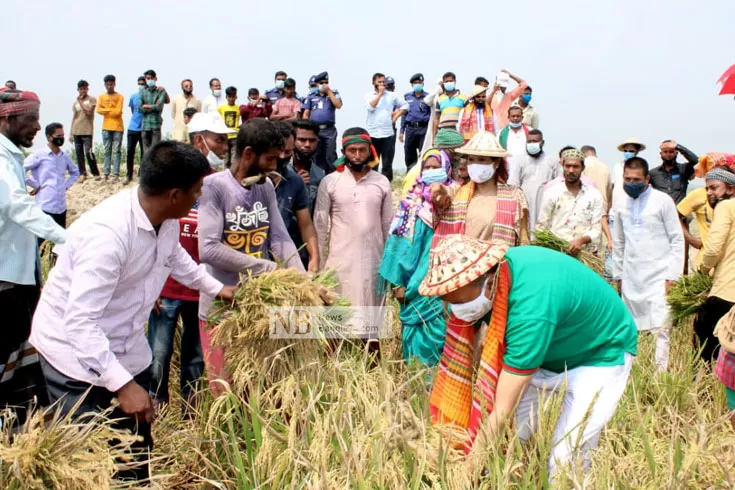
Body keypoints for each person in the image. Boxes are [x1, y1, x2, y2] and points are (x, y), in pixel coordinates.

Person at [30, 141, 235, 482]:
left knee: (134, 453)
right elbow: (80, 324)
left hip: (123, 345)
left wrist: (218, 289)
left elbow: (175, 259)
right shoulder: (108, 236)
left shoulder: (164, 218)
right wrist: (123, 386)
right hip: (73, 358)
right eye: (196, 191)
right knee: (89, 464)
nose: (198, 198)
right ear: (174, 194)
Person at [420, 235, 637, 474]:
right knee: (506, 443)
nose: (456, 311)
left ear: (488, 284)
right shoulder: (493, 284)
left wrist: (467, 472)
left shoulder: (530, 309)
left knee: (564, 462)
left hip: (599, 355)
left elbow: (502, 408)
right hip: (547, 354)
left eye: (459, 302)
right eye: (449, 302)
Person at [197, 118, 304, 394]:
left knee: (259, 388)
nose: (274, 165)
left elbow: (279, 237)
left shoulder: (264, 187)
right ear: (247, 154)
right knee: (226, 391)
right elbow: (207, 248)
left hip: (258, 306)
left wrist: (303, 281)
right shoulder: (214, 188)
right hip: (221, 308)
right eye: (269, 158)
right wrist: (267, 268)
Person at [146, 113, 233, 409]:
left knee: (196, 357)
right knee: (157, 354)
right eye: (218, 140)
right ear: (199, 140)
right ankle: (154, 408)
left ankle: (190, 411)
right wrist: (151, 284)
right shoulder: (166, 180)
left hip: (203, 289)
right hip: (166, 287)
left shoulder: (219, 183)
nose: (224, 146)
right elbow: (157, 240)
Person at [0, 88, 65, 420]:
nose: (38, 127)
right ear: (9, 118)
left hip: (19, 277)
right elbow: (16, 206)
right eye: (32, 119)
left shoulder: (12, 156)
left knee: (22, 356)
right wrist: (65, 238)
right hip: (5, 280)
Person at [313, 128, 393, 350]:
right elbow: (320, 225)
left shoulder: (382, 182)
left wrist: (390, 265)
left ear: (370, 151)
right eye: (352, 150)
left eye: (362, 150)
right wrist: (318, 264)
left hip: (373, 262)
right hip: (339, 263)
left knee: (372, 316)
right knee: (337, 314)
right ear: (343, 151)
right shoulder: (330, 182)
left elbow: (388, 226)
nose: (357, 155)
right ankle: (332, 366)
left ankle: (373, 368)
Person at [379, 149, 456, 367]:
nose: (432, 172)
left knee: (445, 336)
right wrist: (397, 283)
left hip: (447, 285)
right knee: (418, 340)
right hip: (415, 287)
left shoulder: (457, 204)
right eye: (428, 167)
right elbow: (398, 245)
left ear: (447, 169)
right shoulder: (411, 206)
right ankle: (416, 386)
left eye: (436, 167)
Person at [612, 157, 684, 371]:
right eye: (627, 178)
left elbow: (677, 239)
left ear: (647, 179)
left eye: (636, 179)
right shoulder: (620, 202)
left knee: (661, 329)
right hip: (632, 277)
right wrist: (619, 276)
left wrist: (673, 276)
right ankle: (631, 373)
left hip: (660, 276)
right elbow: (619, 242)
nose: (631, 183)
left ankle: (660, 376)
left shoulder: (662, 201)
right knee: (630, 329)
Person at [429, 131, 529, 246]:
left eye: (481, 160)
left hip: (498, 261)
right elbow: (446, 194)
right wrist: (440, 192)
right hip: (461, 262)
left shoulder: (514, 197)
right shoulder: (458, 192)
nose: (475, 164)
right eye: (471, 160)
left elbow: (523, 241)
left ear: (496, 163)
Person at [693, 166, 735, 363]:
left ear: (731, 189)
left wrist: (703, 270)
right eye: (707, 188)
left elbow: (713, 248)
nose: (709, 193)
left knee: (707, 342)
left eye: (714, 187)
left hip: (727, 291)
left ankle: (707, 389)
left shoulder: (725, 207)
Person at [271, 121, 319, 271]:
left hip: (290, 256)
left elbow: (306, 224)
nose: (282, 156)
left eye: (287, 152)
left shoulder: (295, 180)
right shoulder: (252, 181)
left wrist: (315, 257)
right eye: (279, 151)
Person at [536, 149, 604, 255]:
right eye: (567, 166)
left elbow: (597, 230)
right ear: (562, 166)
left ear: (583, 168)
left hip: (584, 254)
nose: (571, 170)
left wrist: (580, 241)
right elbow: (541, 226)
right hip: (557, 252)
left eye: (576, 166)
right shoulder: (551, 193)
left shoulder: (594, 195)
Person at [679, 153, 735, 269]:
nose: (709, 192)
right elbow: (674, 215)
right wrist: (691, 240)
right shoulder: (699, 194)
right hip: (706, 265)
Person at [23, 122, 80, 231]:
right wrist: (34, 184)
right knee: (42, 244)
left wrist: (65, 186)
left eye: (62, 136)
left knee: (58, 245)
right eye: (58, 136)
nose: (61, 138)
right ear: (49, 137)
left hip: (61, 207)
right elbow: (21, 170)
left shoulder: (64, 156)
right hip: (44, 206)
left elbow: (75, 172)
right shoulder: (39, 155)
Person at [508, 129, 558, 232]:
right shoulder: (522, 161)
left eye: (535, 141)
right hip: (525, 206)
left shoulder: (552, 161)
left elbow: (559, 184)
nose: (531, 144)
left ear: (542, 143)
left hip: (545, 205)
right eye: (529, 141)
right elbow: (514, 185)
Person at [365, 73, 408, 182]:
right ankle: (372, 185)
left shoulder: (391, 95)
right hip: (373, 134)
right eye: (379, 82)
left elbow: (406, 105)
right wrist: (379, 94)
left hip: (388, 134)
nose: (382, 84)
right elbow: (370, 108)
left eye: (383, 82)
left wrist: (396, 115)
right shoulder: (368, 95)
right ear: (373, 83)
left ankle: (386, 186)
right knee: (373, 162)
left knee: (387, 163)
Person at [402, 128, 465, 198]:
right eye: (457, 153)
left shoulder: (437, 160)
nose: (457, 157)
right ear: (451, 150)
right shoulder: (437, 164)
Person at [302, 71, 343, 175]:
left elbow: (338, 105)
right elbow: (306, 114)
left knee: (330, 154)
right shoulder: (311, 96)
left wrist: (329, 92)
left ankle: (334, 176)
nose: (324, 85)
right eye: (321, 83)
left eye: (326, 82)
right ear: (317, 84)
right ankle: (318, 178)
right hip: (315, 130)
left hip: (329, 130)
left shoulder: (334, 93)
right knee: (316, 155)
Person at [650, 140, 699, 204]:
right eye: (665, 152)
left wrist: (678, 146)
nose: (668, 154)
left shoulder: (684, 169)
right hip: (661, 212)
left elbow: (696, 161)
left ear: (676, 153)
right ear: (661, 154)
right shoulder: (653, 173)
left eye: (671, 151)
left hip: (679, 212)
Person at [292, 119, 324, 212]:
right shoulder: (279, 170)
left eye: (312, 140)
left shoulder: (319, 175)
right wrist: (293, 185)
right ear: (291, 140)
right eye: (302, 140)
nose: (307, 145)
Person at [400, 73, 431, 171]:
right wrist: (401, 131)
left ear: (423, 83)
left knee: (424, 154)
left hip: (424, 129)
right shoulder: (407, 97)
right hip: (410, 129)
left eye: (419, 82)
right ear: (411, 84)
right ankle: (410, 177)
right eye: (415, 83)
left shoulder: (428, 97)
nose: (417, 84)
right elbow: (404, 114)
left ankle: (423, 176)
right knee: (409, 154)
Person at [69, 79, 99, 182]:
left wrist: (81, 101)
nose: (83, 90)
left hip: (87, 130)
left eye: (85, 88)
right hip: (77, 130)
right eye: (81, 89)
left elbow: (89, 112)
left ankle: (95, 172)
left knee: (88, 152)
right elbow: (74, 117)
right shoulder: (75, 103)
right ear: (78, 89)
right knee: (79, 153)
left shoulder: (92, 100)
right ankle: (82, 173)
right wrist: (71, 133)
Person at [96, 74, 125, 182]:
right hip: (106, 126)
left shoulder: (120, 97)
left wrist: (106, 109)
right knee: (107, 150)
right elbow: (98, 110)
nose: (109, 86)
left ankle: (116, 174)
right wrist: (111, 109)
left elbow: (118, 112)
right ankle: (106, 173)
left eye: (111, 84)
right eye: (107, 84)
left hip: (117, 127)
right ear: (105, 85)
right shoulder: (101, 97)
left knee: (117, 151)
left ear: (114, 84)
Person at [497, 106, 530, 182]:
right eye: (513, 116)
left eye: (518, 116)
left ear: (522, 117)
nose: (515, 118)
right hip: (507, 172)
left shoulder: (529, 131)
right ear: (508, 117)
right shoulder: (501, 133)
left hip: (525, 171)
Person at [432, 72, 468, 141]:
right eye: (446, 81)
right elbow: (436, 119)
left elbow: (468, 116)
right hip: (443, 133)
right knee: (443, 152)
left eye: (451, 81)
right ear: (443, 83)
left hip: (458, 132)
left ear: (455, 82)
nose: (449, 83)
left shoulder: (463, 98)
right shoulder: (440, 99)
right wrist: (434, 136)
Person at [140, 69, 168, 153]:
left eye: (151, 78)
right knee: (146, 151)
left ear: (155, 78)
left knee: (155, 150)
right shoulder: (142, 91)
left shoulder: (160, 91)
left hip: (156, 124)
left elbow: (159, 107)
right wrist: (153, 107)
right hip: (145, 125)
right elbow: (140, 108)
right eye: (147, 78)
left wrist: (147, 106)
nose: (149, 80)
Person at [126, 76, 146, 184]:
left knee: (144, 152)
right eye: (139, 83)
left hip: (144, 129)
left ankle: (141, 174)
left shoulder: (148, 97)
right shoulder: (133, 97)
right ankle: (129, 175)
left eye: (142, 84)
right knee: (130, 151)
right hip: (132, 127)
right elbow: (133, 110)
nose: (141, 86)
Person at [217, 86, 240, 167]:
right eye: (229, 97)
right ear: (226, 97)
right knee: (226, 159)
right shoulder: (221, 108)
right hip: (225, 136)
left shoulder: (239, 108)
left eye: (233, 97)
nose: (231, 99)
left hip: (235, 136)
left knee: (234, 159)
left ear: (236, 97)